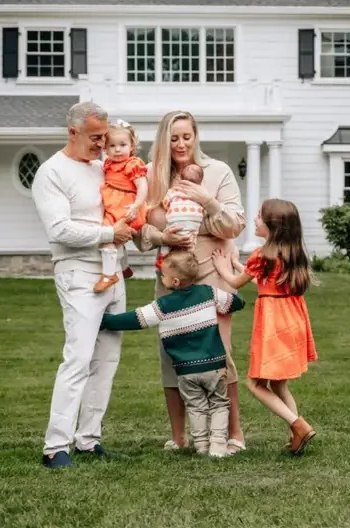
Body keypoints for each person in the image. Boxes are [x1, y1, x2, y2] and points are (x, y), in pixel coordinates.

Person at [132, 110, 247, 453]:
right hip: (172, 274)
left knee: (220, 353)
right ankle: (180, 437)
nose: (181, 144)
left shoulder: (218, 171)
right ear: (164, 139)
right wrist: (162, 235)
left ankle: (234, 434)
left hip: (212, 268)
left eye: (187, 136)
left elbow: (234, 225)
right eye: (174, 137)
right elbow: (139, 230)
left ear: (196, 136)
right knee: (172, 355)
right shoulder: (151, 175)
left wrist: (206, 203)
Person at [31, 101, 136, 469]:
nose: (101, 144)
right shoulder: (51, 173)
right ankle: (55, 447)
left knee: (106, 359)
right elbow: (59, 230)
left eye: (105, 137)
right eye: (95, 138)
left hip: (113, 273)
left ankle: (88, 440)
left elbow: (122, 209)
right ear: (72, 132)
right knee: (77, 357)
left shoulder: (103, 168)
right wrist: (110, 232)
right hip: (78, 273)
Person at [99, 250, 246, 458]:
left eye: (163, 274)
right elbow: (236, 303)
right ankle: (218, 446)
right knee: (219, 404)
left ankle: (202, 445)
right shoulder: (208, 293)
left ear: (175, 281)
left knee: (196, 406)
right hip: (214, 365)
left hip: (186, 371)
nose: (161, 277)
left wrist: (104, 320)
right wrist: (235, 295)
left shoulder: (163, 307)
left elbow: (135, 319)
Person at [212, 199, 317, 456]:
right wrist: (239, 265)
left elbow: (237, 282)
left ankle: (298, 425)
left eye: (259, 217)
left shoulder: (262, 254)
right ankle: (296, 436)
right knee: (279, 384)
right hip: (292, 319)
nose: (255, 220)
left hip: (274, 323)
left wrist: (222, 268)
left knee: (255, 383)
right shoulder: (291, 253)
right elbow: (262, 277)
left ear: (273, 226)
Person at [95, 120, 148, 293]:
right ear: (105, 148)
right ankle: (124, 267)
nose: (117, 149)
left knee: (108, 239)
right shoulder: (108, 165)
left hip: (127, 208)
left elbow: (142, 187)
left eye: (122, 145)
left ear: (132, 146)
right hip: (113, 207)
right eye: (112, 146)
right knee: (115, 239)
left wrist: (136, 205)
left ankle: (109, 274)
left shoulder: (132, 164)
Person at [155, 163, 205, 270]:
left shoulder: (174, 191)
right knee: (191, 242)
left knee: (168, 239)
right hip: (193, 223)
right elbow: (205, 205)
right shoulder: (201, 193)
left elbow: (165, 203)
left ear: (181, 179)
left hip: (176, 222)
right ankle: (189, 260)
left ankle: (163, 257)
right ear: (200, 182)